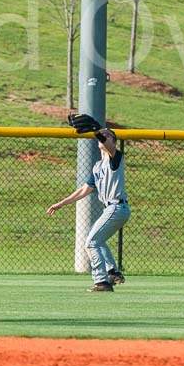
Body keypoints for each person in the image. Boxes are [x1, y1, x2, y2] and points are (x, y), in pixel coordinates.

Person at [46, 114, 130, 292]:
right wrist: (61, 203)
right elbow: (84, 190)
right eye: (104, 135)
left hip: (116, 206)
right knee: (98, 240)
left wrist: (98, 132)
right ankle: (113, 272)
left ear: (113, 142)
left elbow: (107, 145)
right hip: (112, 209)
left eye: (108, 135)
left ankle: (102, 281)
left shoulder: (115, 157)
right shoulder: (98, 166)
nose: (105, 137)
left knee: (91, 242)